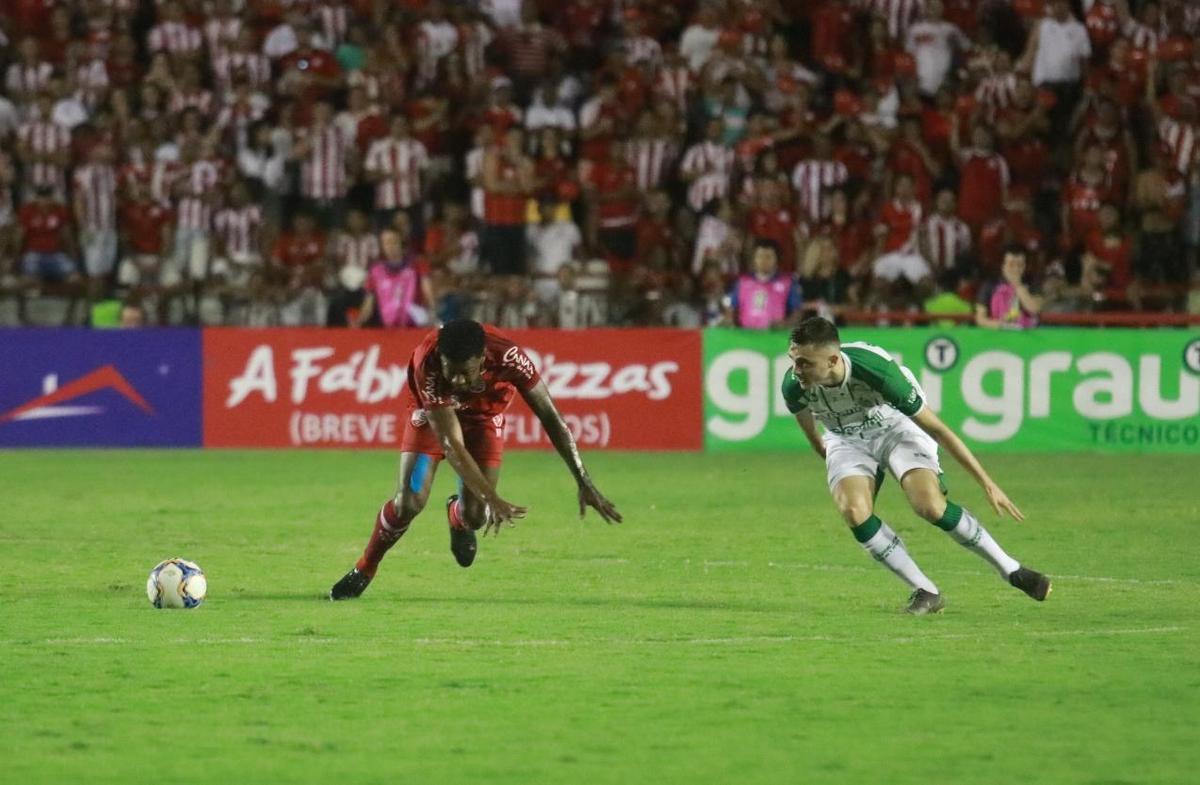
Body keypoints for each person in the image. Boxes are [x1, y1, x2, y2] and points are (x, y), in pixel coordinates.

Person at [330, 319, 622, 599]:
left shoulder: (509, 357)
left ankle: (458, 516)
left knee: (475, 516)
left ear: (483, 359)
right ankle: (365, 566)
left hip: (484, 419)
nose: (457, 380)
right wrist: (492, 496)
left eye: (465, 372)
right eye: (450, 371)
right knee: (409, 500)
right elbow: (451, 444)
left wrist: (583, 480)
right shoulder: (428, 364)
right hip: (436, 420)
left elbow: (551, 418)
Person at [784, 316, 1052, 615]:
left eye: (805, 363)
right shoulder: (794, 385)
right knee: (854, 511)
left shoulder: (877, 371)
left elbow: (938, 429)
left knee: (929, 506)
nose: (797, 370)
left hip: (895, 429)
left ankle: (1011, 570)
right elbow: (809, 426)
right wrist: (831, 456)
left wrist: (987, 483)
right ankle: (925, 590)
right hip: (845, 439)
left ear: (833, 359)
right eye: (794, 360)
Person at [975, 244, 1042, 329]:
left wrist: (1018, 286)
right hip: (998, 336)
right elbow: (980, 319)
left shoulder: (1032, 282)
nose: (1016, 269)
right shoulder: (989, 284)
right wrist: (1001, 325)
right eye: (1011, 264)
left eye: (1020, 265)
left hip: (1028, 337)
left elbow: (1034, 309)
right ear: (1002, 265)